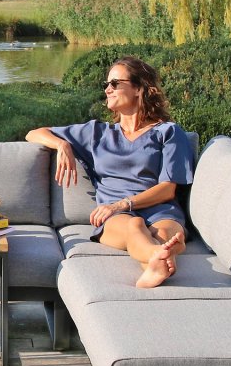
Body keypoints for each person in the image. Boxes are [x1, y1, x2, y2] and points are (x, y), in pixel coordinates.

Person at [26, 56, 194, 288]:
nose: (107, 89)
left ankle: (157, 264)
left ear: (139, 88)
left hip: (160, 210)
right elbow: (34, 134)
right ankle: (164, 255)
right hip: (116, 218)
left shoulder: (168, 132)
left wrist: (123, 204)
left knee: (166, 234)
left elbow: (167, 190)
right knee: (136, 227)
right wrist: (62, 145)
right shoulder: (97, 133)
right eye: (106, 84)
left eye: (115, 83)